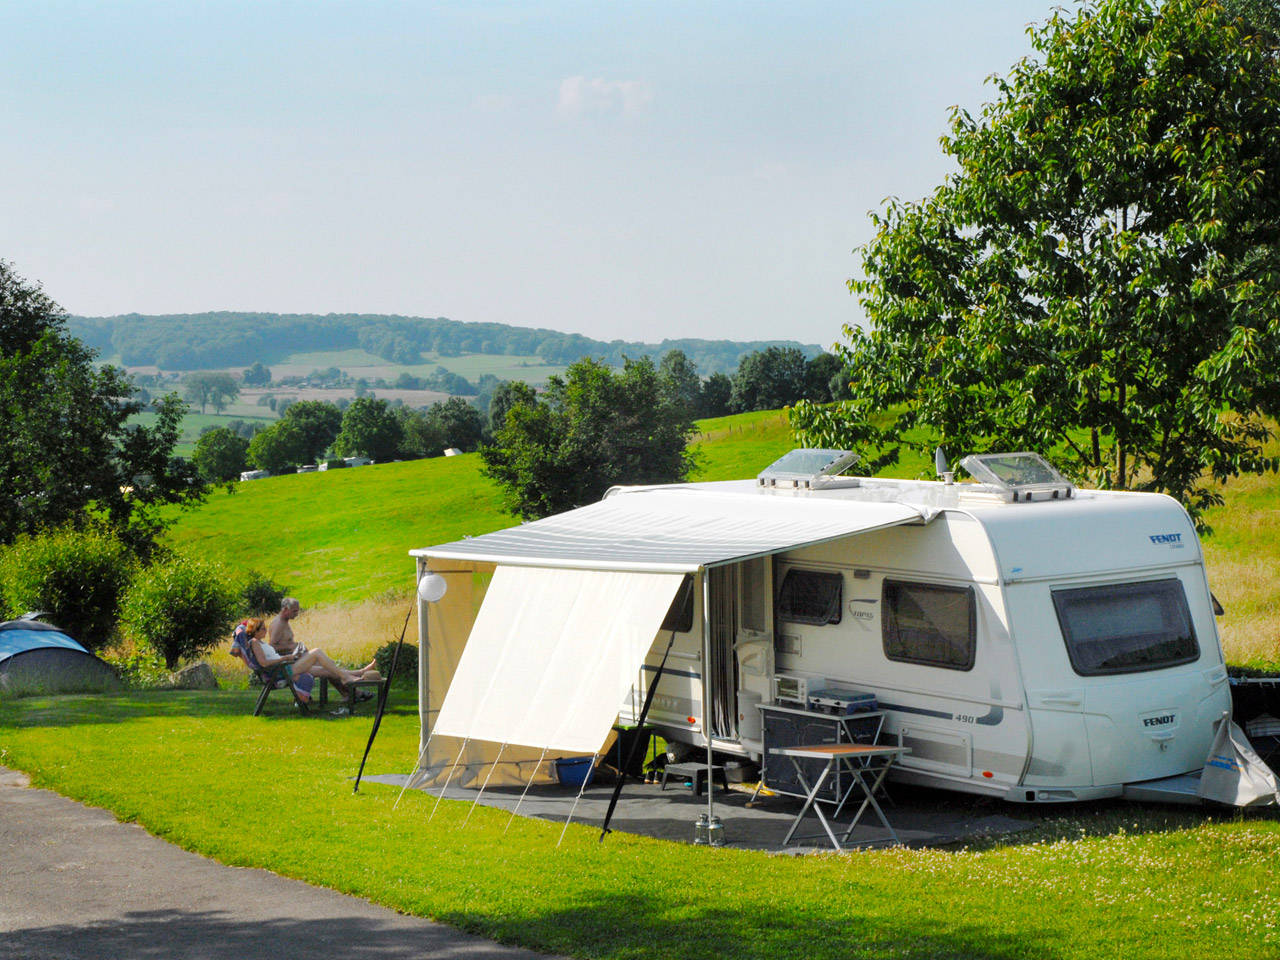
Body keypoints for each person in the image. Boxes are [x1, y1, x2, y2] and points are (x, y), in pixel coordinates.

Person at [269, 598, 381, 688]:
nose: (297, 614)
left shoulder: (284, 622)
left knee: (329, 664)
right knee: (320, 658)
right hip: (285, 668)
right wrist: (291, 646)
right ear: (285, 610)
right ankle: (353, 676)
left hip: (292, 662)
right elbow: (272, 647)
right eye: (294, 611)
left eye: (298, 610)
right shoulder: (278, 625)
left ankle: (353, 681)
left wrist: (296, 648)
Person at [243, 617, 376, 686]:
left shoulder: (260, 642)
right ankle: (346, 678)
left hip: (285, 667)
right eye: (263, 629)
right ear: (255, 630)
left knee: (325, 670)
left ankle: (360, 672)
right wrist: (284, 658)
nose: (266, 631)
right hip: (282, 671)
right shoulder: (254, 643)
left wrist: (291, 656)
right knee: (317, 652)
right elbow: (264, 663)